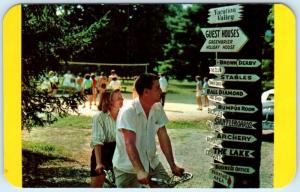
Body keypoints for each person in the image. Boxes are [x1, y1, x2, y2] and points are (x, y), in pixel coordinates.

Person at [112, 73, 184, 188]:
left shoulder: (157, 107)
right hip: (129, 168)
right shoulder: (128, 111)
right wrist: (140, 170)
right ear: (146, 92)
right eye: (157, 88)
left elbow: (163, 136)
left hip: (152, 163)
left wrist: (172, 165)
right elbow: (129, 143)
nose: (161, 91)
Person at [90, 89, 124, 187]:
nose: (122, 100)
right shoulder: (99, 117)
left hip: (119, 151)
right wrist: (99, 163)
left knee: (120, 184)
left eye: (122, 97)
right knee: (97, 184)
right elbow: (97, 141)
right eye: (119, 98)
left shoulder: (124, 115)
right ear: (109, 101)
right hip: (104, 151)